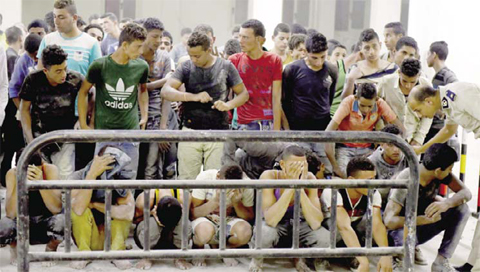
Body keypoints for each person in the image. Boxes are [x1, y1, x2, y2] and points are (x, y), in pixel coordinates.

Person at [160, 31, 248, 180]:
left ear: (208, 50)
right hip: (190, 129)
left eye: (197, 56)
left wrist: (228, 105)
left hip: (218, 131)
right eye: (191, 55)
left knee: (215, 179)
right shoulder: (186, 67)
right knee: (186, 181)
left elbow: (244, 94)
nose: (193, 59)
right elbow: (166, 91)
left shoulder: (226, 67)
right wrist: (192, 97)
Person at [77, 23, 149, 179]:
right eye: (137, 47)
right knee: (102, 184)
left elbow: (143, 90)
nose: (141, 51)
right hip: (105, 134)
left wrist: (144, 115)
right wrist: (83, 124)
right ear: (124, 45)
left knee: (128, 185)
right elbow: (83, 92)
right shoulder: (100, 66)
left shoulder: (142, 66)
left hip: (131, 133)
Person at [384, 143, 471, 271]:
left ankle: (441, 262)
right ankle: (397, 258)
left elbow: (466, 193)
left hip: (420, 227)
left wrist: (446, 203)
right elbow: (389, 221)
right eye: (450, 169)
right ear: (437, 170)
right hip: (399, 231)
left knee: (462, 209)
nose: (450, 172)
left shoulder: (440, 173)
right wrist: (424, 219)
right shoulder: (407, 177)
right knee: (401, 236)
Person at [249, 146, 330, 272]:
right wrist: (291, 186)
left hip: (300, 224)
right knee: (264, 233)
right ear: (282, 164)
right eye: (294, 166)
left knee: (325, 237)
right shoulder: (270, 176)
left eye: (302, 166)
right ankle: (257, 260)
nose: (299, 170)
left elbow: (316, 222)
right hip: (276, 224)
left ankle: (318, 261)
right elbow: (270, 220)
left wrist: (300, 188)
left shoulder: (309, 178)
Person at [19, 45, 83, 179]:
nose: (63, 74)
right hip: (39, 136)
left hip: (65, 136)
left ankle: (64, 201)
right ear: (45, 71)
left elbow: (91, 94)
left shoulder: (74, 79)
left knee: (65, 176)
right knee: (39, 177)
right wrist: (30, 140)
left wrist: (81, 120)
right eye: (58, 71)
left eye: (65, 69)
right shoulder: (33, 80)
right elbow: (24, 110)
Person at [69, 146, 135, 270]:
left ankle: (117, 253)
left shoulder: (119, 177)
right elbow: (77, 209)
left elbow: (128, 213)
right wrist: (92, 175)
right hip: (90, 237)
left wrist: (95, 205)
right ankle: (84, 253)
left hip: (110, 238)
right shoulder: (79, 176)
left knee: (121, 210)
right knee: (79, 210)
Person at [322, 157, 392, 272]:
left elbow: (377, 224)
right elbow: (344, 227)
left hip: (353, 225)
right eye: (367, 181)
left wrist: (385, 254)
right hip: (329, 228)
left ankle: (352, 255)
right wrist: (364, 261)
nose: (372, 185)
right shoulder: (333, 190)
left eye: (374, 179)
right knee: (338, 229)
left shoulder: (373, 193)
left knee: (374, 226)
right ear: (351, 180)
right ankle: (321, 257)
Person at [325, 83, 403, 178]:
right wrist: (335, 166)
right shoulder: (347, 103)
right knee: (346, 179)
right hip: (344, 149)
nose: (366, 110)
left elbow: (399, 127)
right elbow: (328, 132)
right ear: (356, 98)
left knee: (369, 179)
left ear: (376, 99)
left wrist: (404, 148)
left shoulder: (380, 103)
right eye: (362, 106)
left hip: (368, 150)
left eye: (370, 106)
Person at [0, 150, 63, 266]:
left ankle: (51, 248)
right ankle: (15, 247)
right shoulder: (12, 174)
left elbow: (57, 209)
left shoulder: (50, 170)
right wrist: (20, 182)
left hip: (45, 221)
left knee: (62, 221)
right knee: (4, 226)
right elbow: (10, 214)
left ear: (42, 165)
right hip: (22, 221)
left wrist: (41, 183)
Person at [135, 18, 177, 181]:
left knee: (153, 168)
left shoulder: (165, 58)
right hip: (136, 117)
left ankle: (150, 204)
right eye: (155, 36)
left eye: (160, 37)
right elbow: (139, 87)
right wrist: (163, 81)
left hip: (158, 116)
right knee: (133, 165)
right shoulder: (135, 56)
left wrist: (163, 126)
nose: (159, 40)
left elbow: (167, 93)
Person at [191, 164, 254, 267]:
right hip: (206, 218)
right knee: (204, 232)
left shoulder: (245, 184)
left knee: (245, 232)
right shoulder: (205, 178)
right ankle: (199, 247)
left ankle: (226, 248)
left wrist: (237, 203)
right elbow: (193, 214)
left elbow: (249, 217)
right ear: (218, 176)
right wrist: (215, 201)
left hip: (229, 220)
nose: (229, 189)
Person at [2, 34, 42, 186]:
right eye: (32, 56)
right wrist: (23, 111)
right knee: (29, 154)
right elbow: (13, 89)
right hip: (29, 117)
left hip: (50, 116)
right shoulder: (23, 61)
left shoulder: (50, 59)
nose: (35, 59)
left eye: (37, 56)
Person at [230, 19, 283, 130]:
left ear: (259, 40)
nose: (240, 41)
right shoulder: (234, 60)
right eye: (239, 36)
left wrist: (276, 131)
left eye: (245, 37)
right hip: (241, 124)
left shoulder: (274, 60)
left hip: (266, 123)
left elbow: (276, 97)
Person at [282, 32, 337, 131]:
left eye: (323, 57)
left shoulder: (332, 70)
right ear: (306, 52)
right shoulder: (292, 69)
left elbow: (332, 99)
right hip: (297, 127)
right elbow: (285, 101)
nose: (318, 62)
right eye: (314, 58)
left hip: (323, 128)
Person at [407, 82, 480, 154]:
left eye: (418, 110)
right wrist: (420, 150)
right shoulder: (446, 101)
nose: (419, 115)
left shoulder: (458, 94)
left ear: (428, 101)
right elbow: (448, 130)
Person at [376, 58, 432, 146]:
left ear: (419, 75)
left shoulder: (426, 86)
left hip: (413, 139)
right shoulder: (385, 83)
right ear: (399, 72)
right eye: (404, 81)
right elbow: (375, 109)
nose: (408, 86)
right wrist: (382, 135)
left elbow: (429, 114)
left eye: (413, 82)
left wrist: (418, 139)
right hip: (389, 138)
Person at [37, 0, 102, 76]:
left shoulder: (91, 43)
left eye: (61, 17)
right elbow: (40, 75)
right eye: (54, 16)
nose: (56, 21)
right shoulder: (47, 40)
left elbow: (97, 78)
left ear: (74, 18)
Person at [133, 189, 191, 270]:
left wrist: (182, 213)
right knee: (152, 223)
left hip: (172, 238)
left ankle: (180, 256)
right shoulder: (146, 198)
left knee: (185, 223)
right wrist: (150, 214)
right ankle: (146, 255)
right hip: (149, 237)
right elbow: (135, 220)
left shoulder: (183, 196)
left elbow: (190, 217)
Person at [341, 28, 397, 99]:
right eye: (367, 48)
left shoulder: (392, 69)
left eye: (374, 46)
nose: (371, 52)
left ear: (380, 45)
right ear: (361, 48)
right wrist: (351, 79)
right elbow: (345, 101)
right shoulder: (354, 69)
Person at [425, 41, 459, 146]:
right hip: (435, 128)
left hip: (442, 129)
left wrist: (443, 111)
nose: (426, 58)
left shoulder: (446, 74)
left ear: (434, 55)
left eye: (428, 54)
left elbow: (457, 90)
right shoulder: (438, 76)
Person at [367, 124, 408, 207]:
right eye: (390, 145)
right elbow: (368, 193)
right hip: (377, 205)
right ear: (381, 144)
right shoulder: (371, 162)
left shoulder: (409, 159)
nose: (396, 149)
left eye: (398, 144)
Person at [330, 41, 364, 117]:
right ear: (361, 53)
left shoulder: (360, 70)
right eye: (337, 54)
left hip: (352, 119)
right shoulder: (334, 67)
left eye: (343, 55)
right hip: (333, 116)